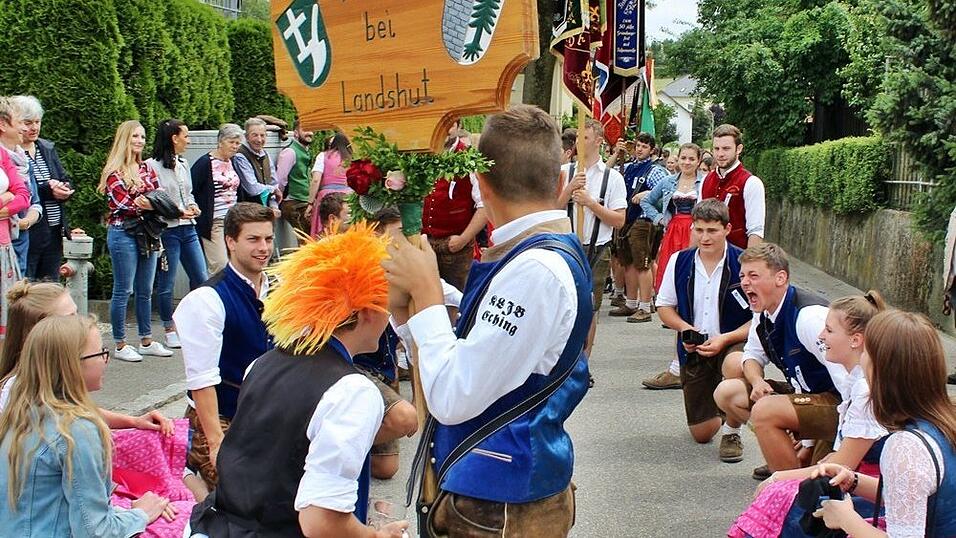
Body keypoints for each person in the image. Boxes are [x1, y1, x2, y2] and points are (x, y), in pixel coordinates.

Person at [386, 105, 590, 536]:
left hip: (500, 505)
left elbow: (454, 396)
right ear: (558, 182)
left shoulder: (536, 269)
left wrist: (426, 294)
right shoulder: (535, 255)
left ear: (480, 185)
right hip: (497, 495)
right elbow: (476, 354)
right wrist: (412, 316)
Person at [189, 222, 409, 537]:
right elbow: (321, 521)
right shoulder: (353, 391)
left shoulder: (263, 363)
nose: (388, 319)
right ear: (364, 314)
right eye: (384, 308)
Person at [729, 292, 890, 538]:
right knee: (782, 491)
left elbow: (842, 464)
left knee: (780, 492)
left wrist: (780, 477)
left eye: (829, 331)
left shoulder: (865, 389)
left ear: (856, 340)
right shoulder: (855, 381)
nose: (820, 336)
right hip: (855, 478)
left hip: (871, 491)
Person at [0, 315, 172, 537]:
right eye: (101, 352)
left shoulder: (19, 410)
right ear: (72, 366)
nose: (105, 359)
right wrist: (140, 514)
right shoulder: (77, 430)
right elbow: (94, 531)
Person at [811, 310, 956, 537]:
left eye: (867, 350)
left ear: (882, 368)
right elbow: (916, 495)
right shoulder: (945, 419)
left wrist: (846, 519)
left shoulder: (905, 446)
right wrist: (854, 480)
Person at [713, 243, 845, 474]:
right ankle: (783, 454)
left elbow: (850, 382)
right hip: (807, 394)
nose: (745, 282)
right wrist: (757, 382)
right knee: (727, 392)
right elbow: (752, 354)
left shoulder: (809, 318)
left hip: (840, 404)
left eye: (754, 275)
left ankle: (788, 484)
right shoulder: (762, 311)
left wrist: (815, 442)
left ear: (781, 278)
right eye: (743, 275)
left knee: (767, 410)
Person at [173, 203, 276, 489]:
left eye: (268, 239)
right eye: (253, 239)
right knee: (247, 492)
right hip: (220, 417)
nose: (263, 248)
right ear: (230, 241)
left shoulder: (278, 290)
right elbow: (202, 381)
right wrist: (216, 441)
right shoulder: (207, 299)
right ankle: (187, 471)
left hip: (265, 413)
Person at [0, 280, 172, 432]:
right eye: (69, 318)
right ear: (42, 332)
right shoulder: (20, 391)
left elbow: (80, 409)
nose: (79, 321)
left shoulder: (48, 375)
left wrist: (133, 421)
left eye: (77, 313)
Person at [655, 200, 752, 448]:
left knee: (734, 364)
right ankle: (723, 405)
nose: (704, 237)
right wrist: (685, 329)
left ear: (727, 229)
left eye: (712, 230)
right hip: (695, 349)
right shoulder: (680, 261)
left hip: (733, 341)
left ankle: (732, 431)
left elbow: (759, 318)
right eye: (699, 230)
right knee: (702, 434)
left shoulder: (744, 263)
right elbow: (664, 307)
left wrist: (726, 339)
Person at [353, 207, 419, 480]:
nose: (404, 240)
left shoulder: (404, 269)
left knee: (386, 469)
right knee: (403, 418)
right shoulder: (360, 269)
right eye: (398, 233)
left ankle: (360, 436)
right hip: (357, 370)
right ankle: (337, 447)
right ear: (376, 233)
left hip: (387, 371)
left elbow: (414, 339)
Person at [99, 120, 172, 362]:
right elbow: (125, 206)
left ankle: (146, 340)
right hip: (123, 233)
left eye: (142, 136)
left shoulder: (147, 168)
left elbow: (160, 197)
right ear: (124, 140)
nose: (140, 141)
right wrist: (150, 202)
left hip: (149, 232)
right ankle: (119, 344)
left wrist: (149, 202)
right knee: (124, 289)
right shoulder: (114, 172)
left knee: (145, 290)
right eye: (134, 137)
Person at [557, 118, 626, 356]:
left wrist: (590, 203)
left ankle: (583, 363)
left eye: (584, 138)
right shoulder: (564, 172)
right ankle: (561, 361)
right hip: (565, 246)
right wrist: (568, 190)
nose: (579, 143)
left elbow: (619, 220)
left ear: (598, 141)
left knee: (590, 308)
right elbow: (550, 209)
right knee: (563, 306)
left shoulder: (612, 178)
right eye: (577, 138)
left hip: (597, 248)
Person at [639, 143, 706, 390]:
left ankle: (687, 357)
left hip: (696, 233)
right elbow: (648, 202)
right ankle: (680, 357)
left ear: (699, 161)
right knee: (674, 288)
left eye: (691, 158)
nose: (686, 162)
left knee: (693, 287)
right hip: (673, 232)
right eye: (683, 158)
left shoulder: (705, 183)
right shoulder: (668, 182)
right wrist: (660, 220)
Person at [146, 119, 208, 350]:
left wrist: (193, 207)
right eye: (186, 136)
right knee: (167, 282)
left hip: (189, 228)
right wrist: (178, 211)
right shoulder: (151, 166)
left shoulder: (183, 164)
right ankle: (168, 327)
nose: (188, 141)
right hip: (167, 230)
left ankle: (197, 323)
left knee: (201, 277)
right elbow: (155, 198)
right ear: (174, 138)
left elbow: (188, 194)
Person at [605, 132, 668, 324]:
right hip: (627, 219)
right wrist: (617, 153)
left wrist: (648, 193)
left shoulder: (654, 170)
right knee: (628, 263)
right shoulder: (628, 167)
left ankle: (645, 306)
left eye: (644, 146)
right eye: (638, 145)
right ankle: (631, 303)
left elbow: (666, 191)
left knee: (642, 264)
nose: (640, 149)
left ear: (651, 150)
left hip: (643, 220)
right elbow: (605, 172)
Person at [12, 95, 75, 282]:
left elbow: (64, 177)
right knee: (27, 284)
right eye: (28, 122)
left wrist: (64, 188)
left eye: (37, 122)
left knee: (50, 284)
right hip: (30, 230)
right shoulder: (13, 154)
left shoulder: (46, 147)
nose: (34, 127)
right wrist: (48, 189)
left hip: (54, 229)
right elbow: (22, 190)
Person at [422, 131, 488, 290]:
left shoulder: (469, 158)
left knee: (457, 302)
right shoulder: (423, 154)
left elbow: (484, 205)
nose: (443, 128)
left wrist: (463, 239)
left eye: (449, 123)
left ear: (458, 126)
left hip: (455, 248)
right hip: (425, 244)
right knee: (425, 297)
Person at [700, 124, 765, 249]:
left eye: (726, 148)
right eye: (716, 148)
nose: (720, 154)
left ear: (738, 149)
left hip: (737, 258)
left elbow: (755, 231)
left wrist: (749, 265)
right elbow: (696, 224)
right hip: (707, 257)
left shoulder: (751, 183)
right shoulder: (705, 180)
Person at [191, 123, 243, 275]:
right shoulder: (205, 163)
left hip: (233, 220)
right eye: (231, 142)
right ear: (220, 142)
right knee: (219, 264)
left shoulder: (233, 162)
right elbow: (191, 189)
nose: (235, 146)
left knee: (236, 263)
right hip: (214, 221)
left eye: (238, 143)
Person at [1, 98, 42, 278]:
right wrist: (7, 197)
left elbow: (26, 197)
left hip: (17, 238)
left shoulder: (20, 159)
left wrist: (26, 219)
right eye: (22, 122)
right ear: (3, 124)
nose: (26, 129)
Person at [274, 118, 315, 237]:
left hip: (302, 201)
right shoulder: (290, 152)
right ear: (296, 133)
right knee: (307, 240)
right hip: (293, 203)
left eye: (311, 130)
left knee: (310, 238)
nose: (310, 133)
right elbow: (280, 179)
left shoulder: (305, 151)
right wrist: (279, 200)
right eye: (305, 129)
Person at [310, 132, 352, 236]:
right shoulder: (352, 158)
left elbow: (316, 180)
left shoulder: (323, 156)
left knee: (324, 227)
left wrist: (310, 202)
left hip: (326, 195)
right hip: (348, 196)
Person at [233, 117, 281, 206]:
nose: (259, 140)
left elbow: (274, 183)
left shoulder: (266, 155)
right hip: (248, 210)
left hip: (264, 209)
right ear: (246, 137)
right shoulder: (240, 156)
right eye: (255, 135)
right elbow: (252, 189)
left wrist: (274, 206)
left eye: (262, 135)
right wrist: (273, 190)